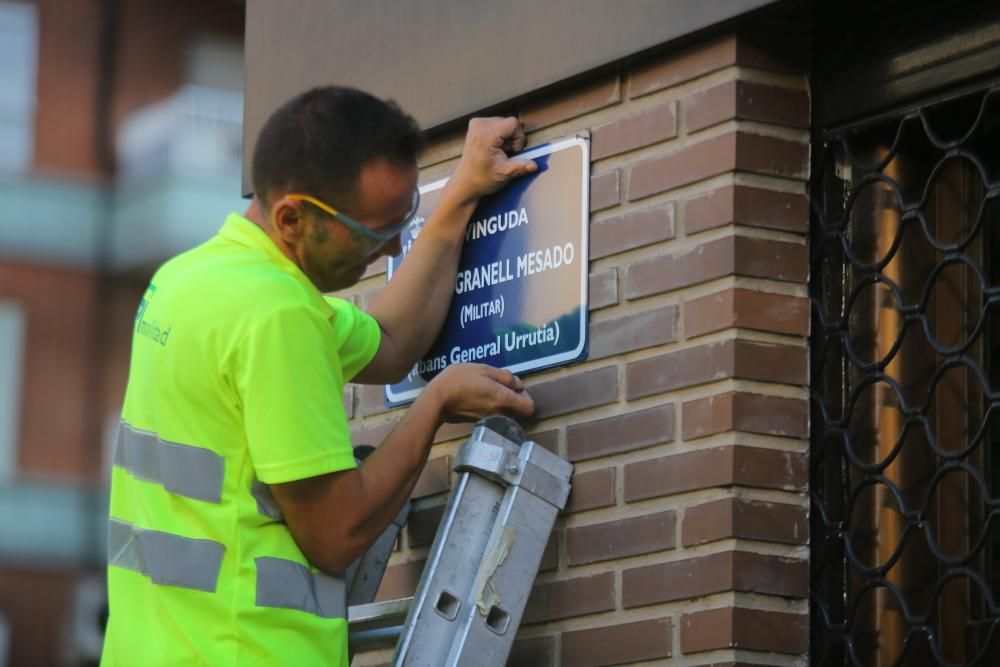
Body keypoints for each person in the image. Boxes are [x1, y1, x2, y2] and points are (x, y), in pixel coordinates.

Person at [100, 86, 538, 666]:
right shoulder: (277, 315)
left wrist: (460, 192)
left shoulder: (191, 280)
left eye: (401, 220)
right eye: (374, 232)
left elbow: (389, 342)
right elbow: (336, 536)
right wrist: (434, 405)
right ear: (292, 218)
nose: (391, 246)